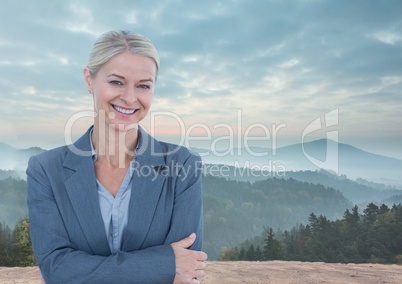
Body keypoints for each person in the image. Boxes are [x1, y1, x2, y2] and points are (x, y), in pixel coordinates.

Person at [27, 30, 207, 283]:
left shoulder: (183, 165)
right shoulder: (45, 170)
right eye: (116, 82)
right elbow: (56, 270)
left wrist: (86, 270)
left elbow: (187, 269)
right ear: (89, 79)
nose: (130, 98)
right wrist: (163, 263)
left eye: (143, 85)